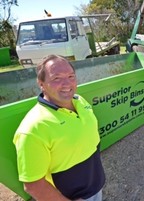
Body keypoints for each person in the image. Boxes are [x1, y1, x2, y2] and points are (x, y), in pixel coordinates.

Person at [13, 55, 105, 200]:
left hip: (95, 188)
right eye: (56, 78)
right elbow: (33, 184)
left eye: (71, 76)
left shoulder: (80, 101)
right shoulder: (33, 129)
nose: (67, 84)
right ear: (41, 84)